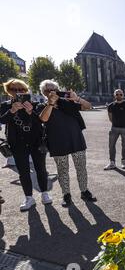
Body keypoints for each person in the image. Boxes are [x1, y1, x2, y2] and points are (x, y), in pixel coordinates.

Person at [38, 80, 97, 207]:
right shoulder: (42, 106)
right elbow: (43, 118)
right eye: (48, 90)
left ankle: (84, 191)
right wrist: (50, 103)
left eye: (54, 89)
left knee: (81, 168)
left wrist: (77, 98)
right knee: (62, 170)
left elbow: (89, 106)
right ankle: (66, 195)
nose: (52, 92)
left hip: (76, 140)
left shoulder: (67, 103)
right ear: (44, 93)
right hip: (57, 143)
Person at [0, 79, 52, 211]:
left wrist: (31, 112)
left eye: (21, 90)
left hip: (36, 141)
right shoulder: (5, 105)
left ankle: (45, 193)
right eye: (14, 89)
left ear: (26, 90)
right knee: (23, 172)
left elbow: (42, 120)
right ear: (8, 91)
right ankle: (29, 198)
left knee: (41, 168)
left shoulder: (34, 104)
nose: (18, 92)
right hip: (17, 143)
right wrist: (12, 111)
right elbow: (2, 120)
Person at [104, 89, 125, 170]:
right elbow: (110, 117)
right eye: (117, 94)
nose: (119, 96)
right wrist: (115, 124)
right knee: (111, 145)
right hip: (114, 128)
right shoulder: (111, 106)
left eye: (120, 94)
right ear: (114, 95)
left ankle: (124, 161)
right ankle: (112, 163)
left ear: (123, 95)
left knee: (124, 145)